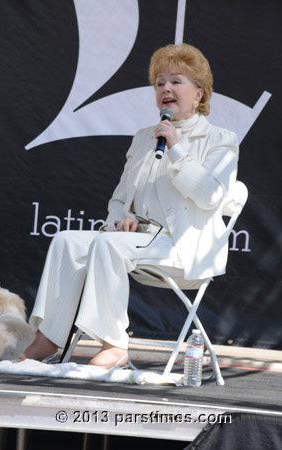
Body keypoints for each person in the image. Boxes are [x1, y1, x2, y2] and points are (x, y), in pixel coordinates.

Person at [18, 43, 238, 368]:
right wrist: (122, 218)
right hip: (136, 240)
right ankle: (50, 337)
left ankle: (115, 345)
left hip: (181, 245)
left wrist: (176, 149)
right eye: (160, 82)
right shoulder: (144, 137)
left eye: (176, 81)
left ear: (199, 94)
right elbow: (120, 198)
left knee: (109, 246)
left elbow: (210, 196)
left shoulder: (220, 139)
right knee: (67, 240)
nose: (165, 88)